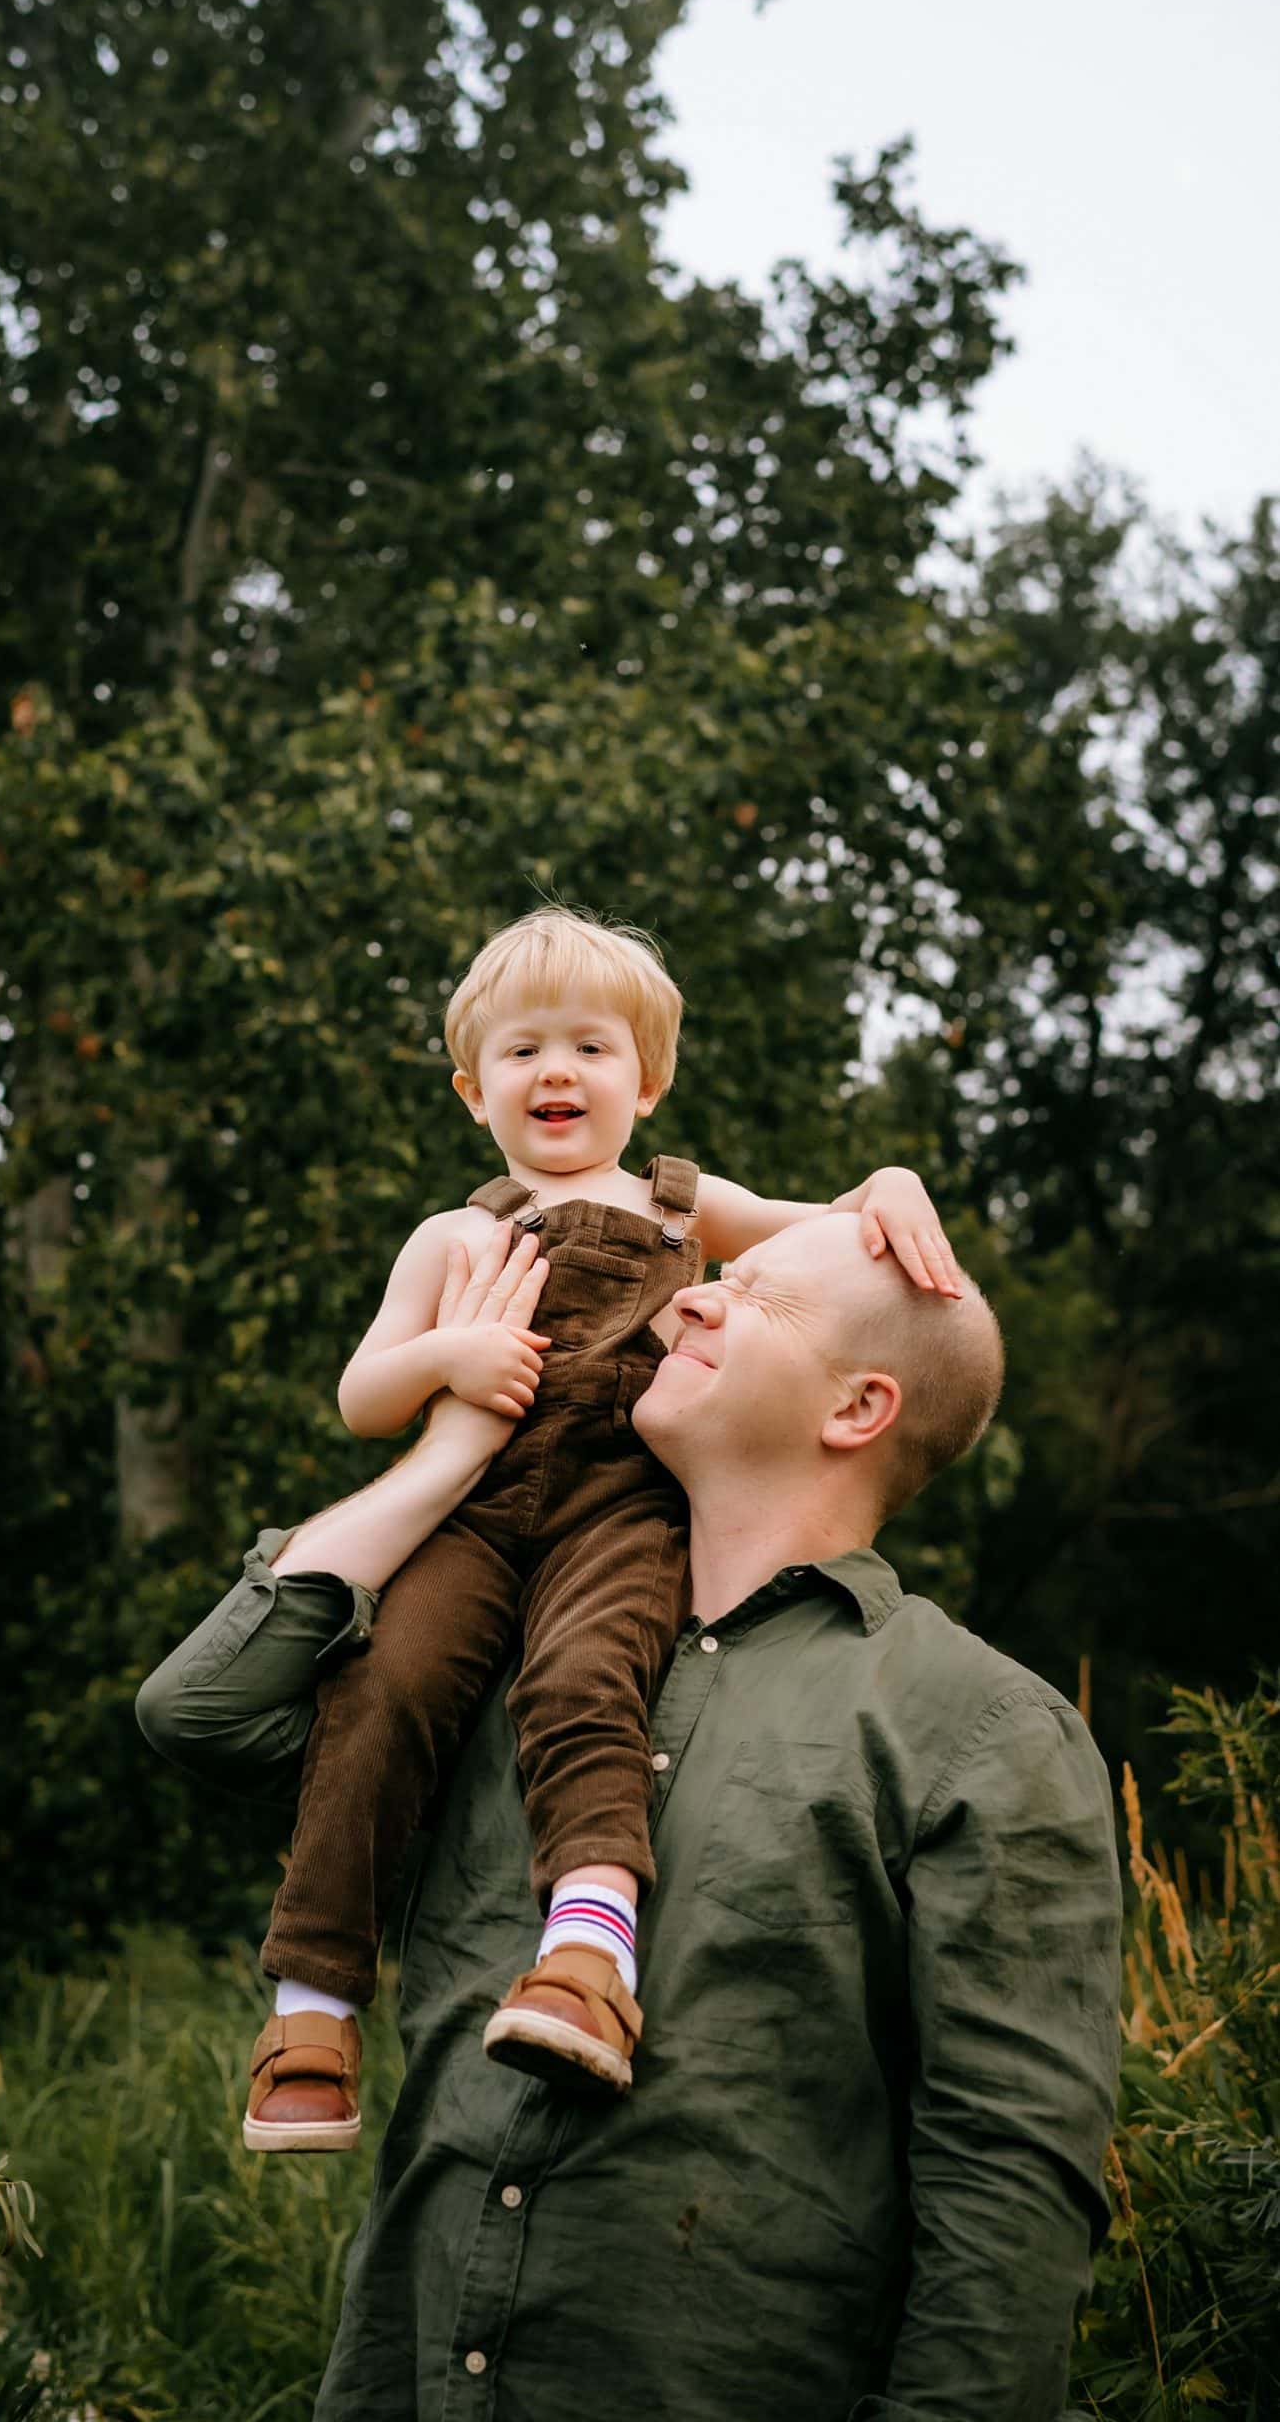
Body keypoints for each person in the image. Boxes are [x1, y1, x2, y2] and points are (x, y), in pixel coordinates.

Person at [137, 1212, 1123, 2422]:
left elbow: (1004, 2198)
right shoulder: (472, 1677)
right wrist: (451, 1452)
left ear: (856, 1410)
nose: (689, 1300)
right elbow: (204, 1711)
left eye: (754, 1295)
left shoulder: (972, 1726)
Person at [234, 907, 962, 2150]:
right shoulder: (452, 1235)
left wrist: (887, 1181)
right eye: (519, 1053)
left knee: (586, 1683)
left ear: (649, 1079)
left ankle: (585, 1953)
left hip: (619, 1508)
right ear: (473, 1094)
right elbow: (363, 1396)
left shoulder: (685, 1207)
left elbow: (835, 1231)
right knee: (380, 1686)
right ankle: (312, 2008)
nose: (555, 1072)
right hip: (472, 1516)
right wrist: (447, 1354)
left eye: (588, 1047)